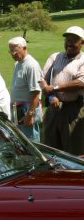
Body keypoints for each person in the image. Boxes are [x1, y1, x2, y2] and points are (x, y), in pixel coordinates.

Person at [40, 26, 84, 154]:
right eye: (67, 40)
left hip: (74, 110)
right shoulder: (55, 56)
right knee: (50, 149)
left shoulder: (82, 60)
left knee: (74, 150)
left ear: (82, 43)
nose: (69, 43)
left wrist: (55, 88)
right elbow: (42, 79)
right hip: (54, 109)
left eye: (74, 40)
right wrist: (50, 96)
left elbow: (81, 82)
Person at [7, 37, 43, 142]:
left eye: (15, 51)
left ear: (24, 48)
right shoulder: (18, 64)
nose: (13, 54)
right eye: (11, 51)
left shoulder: (31, 66)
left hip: (27, 112)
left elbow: (36, 93)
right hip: (17, 111)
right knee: (20, 144)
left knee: (31, 145)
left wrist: (30, 115)